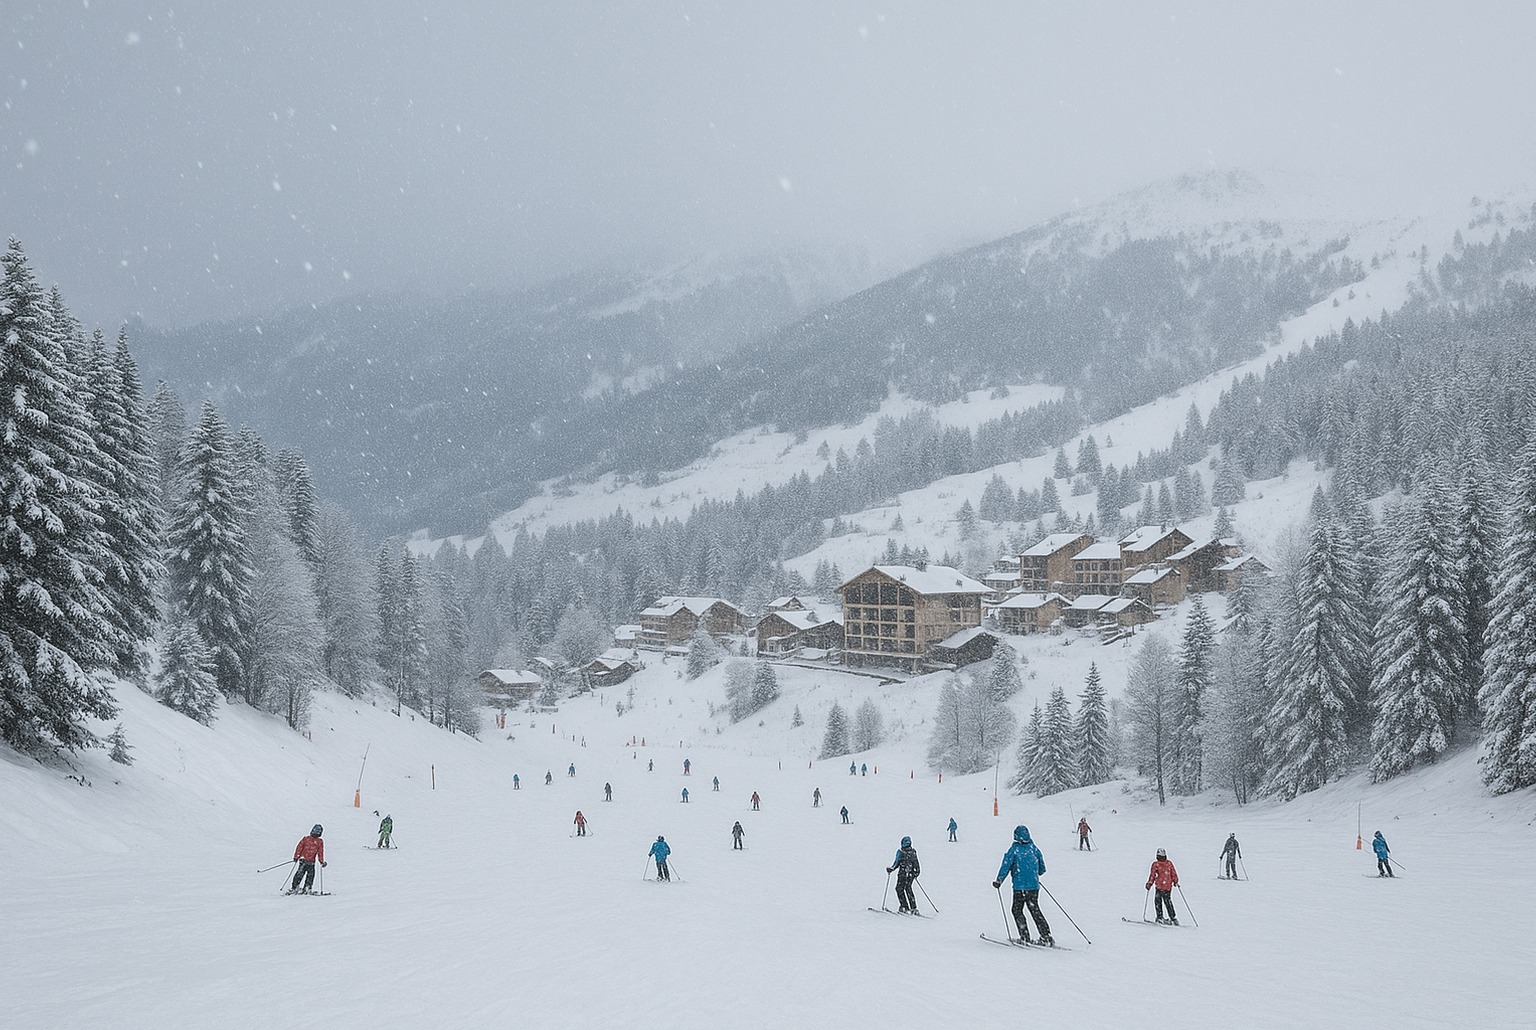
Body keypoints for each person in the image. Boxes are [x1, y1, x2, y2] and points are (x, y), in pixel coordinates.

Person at [993, 824, 1053, 945]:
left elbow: (1006, 865)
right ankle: (1046, 936)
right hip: (1034, 887)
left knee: (1017, 910)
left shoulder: (1014, 849)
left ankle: (1025, 937)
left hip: (1020, 888)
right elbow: (1042, 869)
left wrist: (999, 880)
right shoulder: (1034, 848)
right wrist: (1033, 874)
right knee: (1034, 909)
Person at [887, 836, 922, 914]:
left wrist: (891, 869)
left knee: (899, 889)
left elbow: (897, 863)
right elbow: (916, 863)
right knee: (908, 888)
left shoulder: (901, 852)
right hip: (910, 874)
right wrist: (916, 872)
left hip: (903, 874)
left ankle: (904, 906)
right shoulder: (913, 852)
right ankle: (914, 908)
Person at [289, 824, 327, 894]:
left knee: (303, 875)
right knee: (306, 875)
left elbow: (299, 848)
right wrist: (296, 856)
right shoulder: (310, 840)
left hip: (307, 861)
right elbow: (320, 852)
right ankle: (303, 887)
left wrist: (296, 856)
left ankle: (300, 887)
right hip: (306, 861)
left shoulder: (312, 840)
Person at [1146, 848, 1180, 924]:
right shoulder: (1169, 863)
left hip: (1159, 887)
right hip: (1167, 886)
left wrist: (1149, 883)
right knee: (1168, 901)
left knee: (1158, 901)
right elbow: (1173, 873)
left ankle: (1160, 917)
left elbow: (1152, 875)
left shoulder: (1156, 864)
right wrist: (1175, 881)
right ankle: (1173, 918)